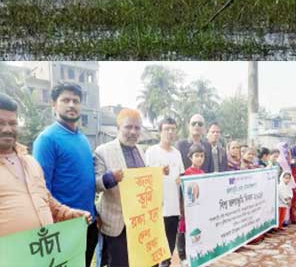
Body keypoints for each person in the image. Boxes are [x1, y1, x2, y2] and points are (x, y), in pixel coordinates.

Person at [0, 93, 90, 237]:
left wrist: (67, 213)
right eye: (1, 123)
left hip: (42, 251)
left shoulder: (29, 162)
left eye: (12, 123)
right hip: (9, 256)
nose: (7, 129)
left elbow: (45, 197)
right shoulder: (47, 139)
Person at [32, 82, 98, 267]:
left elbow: (86, 180)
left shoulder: (83, 139)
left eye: (76, 101)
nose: (71, 105)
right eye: (65, 100)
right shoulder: (46, 140)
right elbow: (42, 191)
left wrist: (94, 214)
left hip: (88, 223)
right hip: (64, 227)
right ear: (54, 104)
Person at [94, 108, 146, 267]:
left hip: (137, 222)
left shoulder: (140, 150)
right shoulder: (103, 151)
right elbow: (95, 184)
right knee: (116, 263)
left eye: (137, 128)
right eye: (128, 127)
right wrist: (110, 178)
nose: (133, 132)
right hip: (116, 223)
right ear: (118, 128)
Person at [145, 118, 184, 267]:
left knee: (168, 249)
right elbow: (145, 176)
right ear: (160, 131)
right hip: (156, 209)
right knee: (154, 250)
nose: (170, 132)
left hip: (173, 209)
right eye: (167, 128)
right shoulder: (151, 152)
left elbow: (181, 177)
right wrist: (158, 172)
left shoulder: (177, 153)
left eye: (173, 129)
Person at [177, 144, 205, 267]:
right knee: (183, 231)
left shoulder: (203, 173)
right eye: (197, 156)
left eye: (202, 156)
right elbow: (181, 193)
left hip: (198, 209)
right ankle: (182, 256)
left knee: (195, 231)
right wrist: (182, 209)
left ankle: (195, 252)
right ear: (190, 157)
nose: (199, 158)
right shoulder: (185, 174)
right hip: (186, 209)